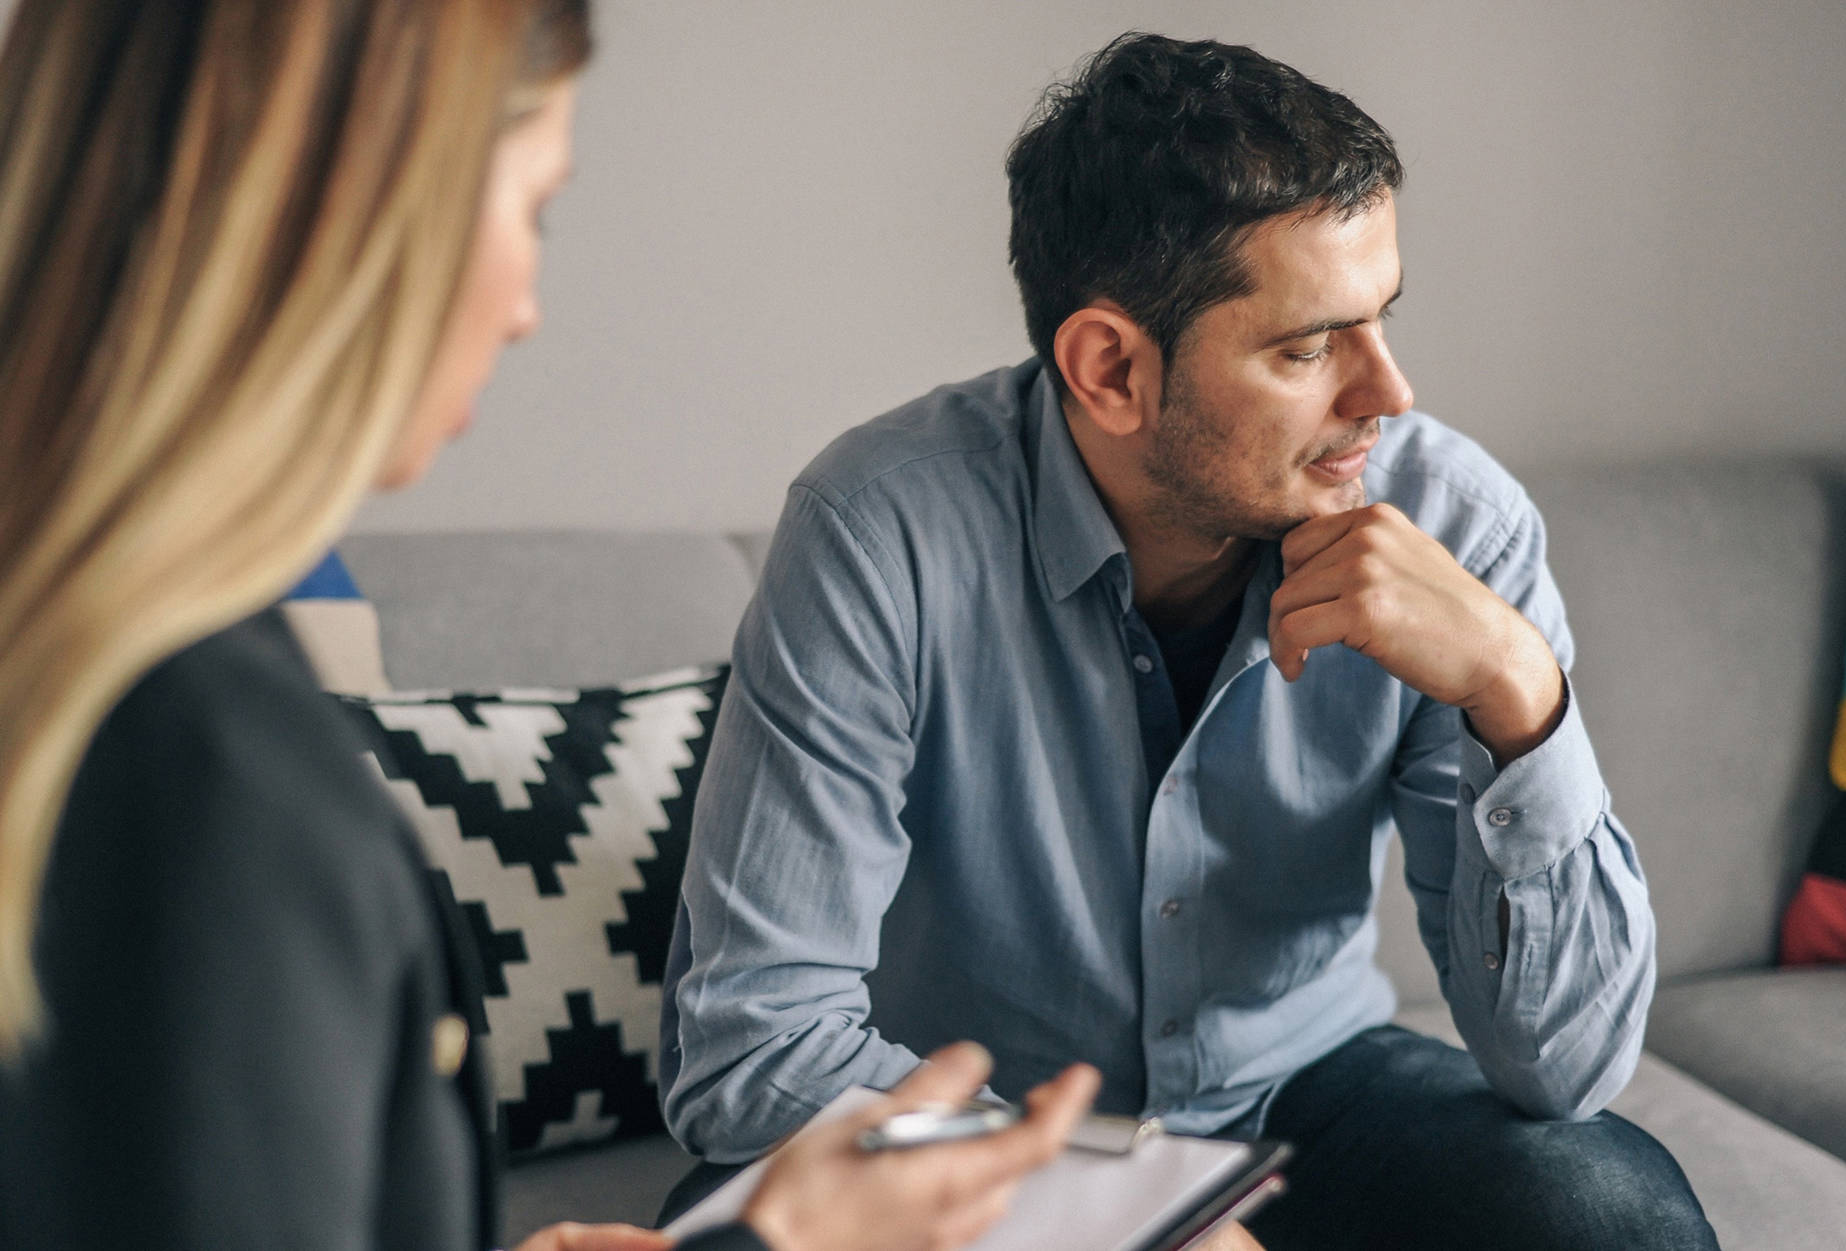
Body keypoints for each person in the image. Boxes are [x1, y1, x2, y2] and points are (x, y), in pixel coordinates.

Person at [0, 2, 1098, 1249]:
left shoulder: (101, 673)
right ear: (347, 212)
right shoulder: (206, 770)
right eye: (532, 208)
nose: (527, 305)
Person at [662, 32, 1721, 1250]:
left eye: (1381, 320)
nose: (1390, 393)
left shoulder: (1456, 525)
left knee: (1608, 1213)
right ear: (1110, 368)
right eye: (1309, 347)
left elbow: (1567, 1067)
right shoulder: (878, 531)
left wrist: (1519, 694)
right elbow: (751, 1048)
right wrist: (1106, 1212)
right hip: (955, 1130)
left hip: (1299, 1095)